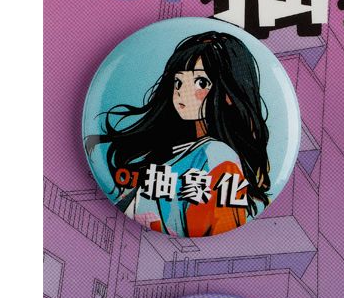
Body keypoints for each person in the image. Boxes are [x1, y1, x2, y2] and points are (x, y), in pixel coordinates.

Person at [91, 29, 271, 237]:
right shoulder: (181, 153)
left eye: (201, 82)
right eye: (178, 82)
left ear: (229, 94)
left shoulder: (217, 156)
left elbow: (211, 225)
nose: (182, 93)